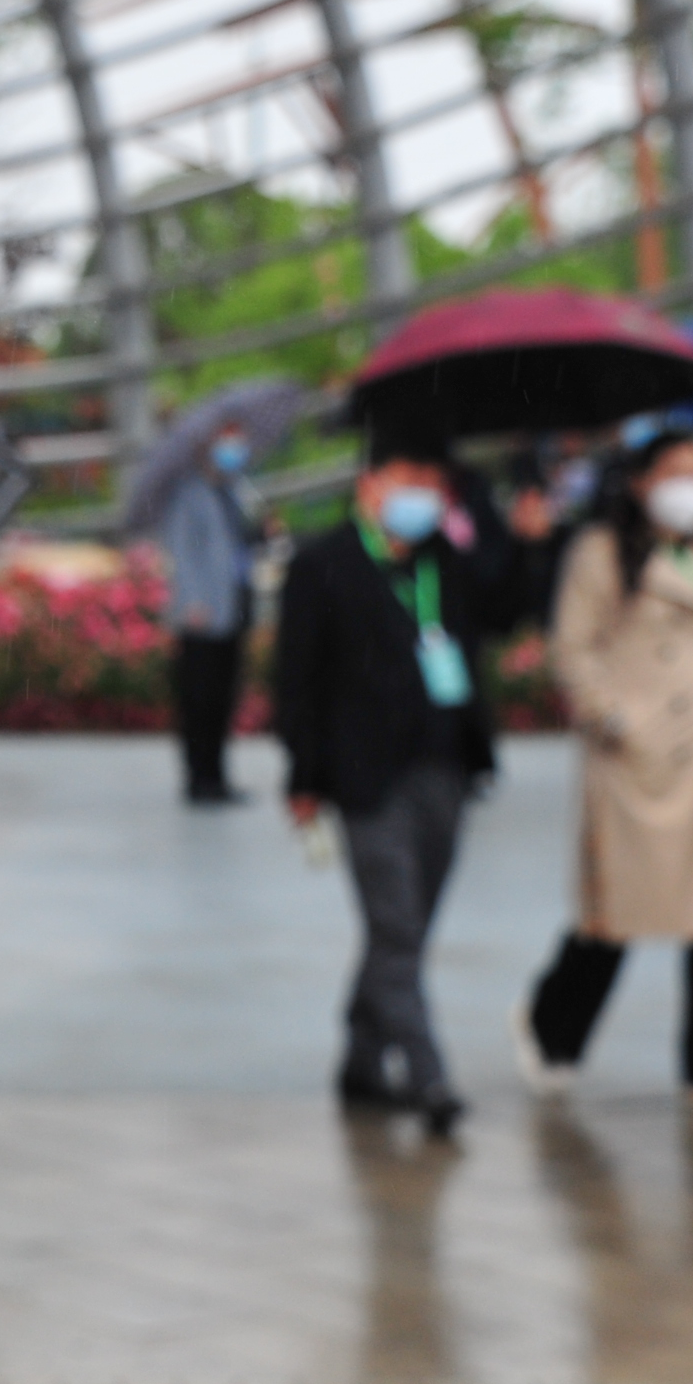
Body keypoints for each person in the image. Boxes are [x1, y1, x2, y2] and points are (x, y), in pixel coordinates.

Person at [513, 430, 693, 1117]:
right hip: (639, 759)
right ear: (638, 481)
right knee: (619, 914)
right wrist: (616, 722)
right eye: (675, 473)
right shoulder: (601, 553)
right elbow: (571, 650)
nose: (691, 488)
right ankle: (551, 1028)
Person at [273, 424, 496, 1136]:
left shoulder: (446, 562)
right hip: (364, 777)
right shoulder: (323, 565)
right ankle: (429, 1076)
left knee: (407, 926)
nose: (419, 499)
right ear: (368, 486)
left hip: (445, 767)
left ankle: (363, 1057)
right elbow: (295, 682)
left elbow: (509, 601)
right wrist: (304, 777)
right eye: (406, 483)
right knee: (396, 926)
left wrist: (506, 513)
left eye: (432, 488)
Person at [159, 421, 266, 803]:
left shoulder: (235, 489)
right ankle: (199, 779)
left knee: (223, 697)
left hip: (233, 608)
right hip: (201, 614)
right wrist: (192, 603)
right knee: (199, 700)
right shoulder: (188, 493)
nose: (233, 447)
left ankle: (218, 777)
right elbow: (182, 553)